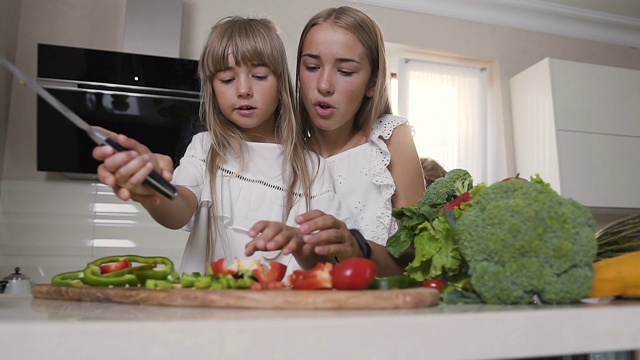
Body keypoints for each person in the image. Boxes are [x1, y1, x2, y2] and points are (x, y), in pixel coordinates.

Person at [91, 16, 360, 274]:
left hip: (280, 313)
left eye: (259, 76)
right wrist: (153, 189)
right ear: (213, 89)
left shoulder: (311, 167)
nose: (243, 90)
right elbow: (178, 211)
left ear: (281, 84)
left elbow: (325, 261)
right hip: (206, 312)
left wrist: (300, 242)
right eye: (228, 79)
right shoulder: (205, 148)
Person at [293, 6, 426, 275]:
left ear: (373, 82)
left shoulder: (390, 139)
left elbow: (417, 265)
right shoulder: (284, 153)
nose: (324, 85)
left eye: (345, 71)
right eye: (311, 67)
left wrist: (357, 248)